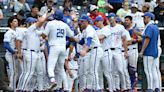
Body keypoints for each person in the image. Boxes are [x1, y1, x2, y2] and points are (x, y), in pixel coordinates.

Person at [41, 10, 74, 91]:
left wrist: (43, 35)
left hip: (54, 47)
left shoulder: (50, 23)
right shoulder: (64, 24)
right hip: (62, 47)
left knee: (50, 65)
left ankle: (52, 80)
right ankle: (66, 88)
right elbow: (71, 35)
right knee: (61, 68)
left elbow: (44, 35)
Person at [71, 14, 103, 91]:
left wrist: (84, 50)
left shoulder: (89, 29)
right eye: (80, 22)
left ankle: (96, 88)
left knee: (93, 70)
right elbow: (82, 42)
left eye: (82, 22)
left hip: (95, 50)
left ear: (87, 22)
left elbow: (89, 41)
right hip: (92, 50)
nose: (80, 23)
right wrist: (74, 39)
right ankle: (90, 87)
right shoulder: (85, 30)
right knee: (89, 70)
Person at [107, 13, 128, 92]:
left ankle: (124, 87)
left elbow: (124, 39)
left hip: (118, 50)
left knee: (120, 69)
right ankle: (114, 87)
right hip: (109, 50)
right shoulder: (106, 28)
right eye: (109, 18)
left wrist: (126, 51)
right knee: (111, 70)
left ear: (115, 18)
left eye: (112, 18)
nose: (110, 19)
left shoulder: (120, 27)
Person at [139, 12, 160, 92]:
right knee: (154, 70)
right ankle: (157, 87)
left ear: (148, 18)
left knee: (148, 71)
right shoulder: (155, 27)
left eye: (145, 18)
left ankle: (150, 88)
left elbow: (147, 39)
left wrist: (142, 51)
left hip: (149, 51)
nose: (144, 19)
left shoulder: (149, 27)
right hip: (155, 51)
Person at [94, 16, 113, 92]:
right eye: (96, 21)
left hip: (106, 52)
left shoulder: (106, 29)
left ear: (102, 21)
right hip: (99, 53)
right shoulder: (96, 31)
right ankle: (101, 89)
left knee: (107, 72)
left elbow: (101, 37)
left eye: (98, 21)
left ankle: (111, 89)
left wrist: (93, 37)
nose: (97, 23)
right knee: (99, 72)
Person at [124, 15, 142, 91]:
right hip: (125, 49)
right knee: (124, 69)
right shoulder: (123, 29)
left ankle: (134, 87)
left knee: (132, 69)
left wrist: (134, 40)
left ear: (131, 21)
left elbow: (141, 39)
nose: (126, 21)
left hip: (133, 49)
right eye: (125, 20)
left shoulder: (135, 29)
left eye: (127, 20)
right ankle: (127, 86)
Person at [3, 16, 19, 91]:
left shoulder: (17, 31)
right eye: (15, 21)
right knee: (14, 72)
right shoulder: (9, 32)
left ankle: (13, 87)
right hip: (11, 54)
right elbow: (6, 45)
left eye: (17, 21)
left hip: (15, 54)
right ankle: (12, 88)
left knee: (17, 72)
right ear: (11, 23)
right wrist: (13, 52)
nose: (17, 22)